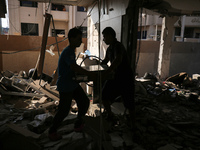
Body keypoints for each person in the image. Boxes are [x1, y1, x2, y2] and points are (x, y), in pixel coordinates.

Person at [48, 27, 95, 141]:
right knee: (64, 111)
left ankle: (78, 125)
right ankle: (52, 131)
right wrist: (88, 73)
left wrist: (81, 76)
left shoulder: (71, 51)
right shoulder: (68, 51)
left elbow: (71, 69)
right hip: (66, 86)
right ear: (72, 39)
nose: (81, 41)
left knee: (83, 102)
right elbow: (73, 66)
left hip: (72, 84)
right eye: (79, 39)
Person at [100, 27, 135, 129]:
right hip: (116, 78)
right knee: (104, 96)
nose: (104, 39)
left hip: (125, 79)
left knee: (129, 103)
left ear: (110, 36)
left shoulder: (118, 46)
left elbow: (118, 60)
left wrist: (107, 72)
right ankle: (110, 115)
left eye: (105, 36)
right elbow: (106, 60)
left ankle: (133, 125)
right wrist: (97, 66)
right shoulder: (109, 48)